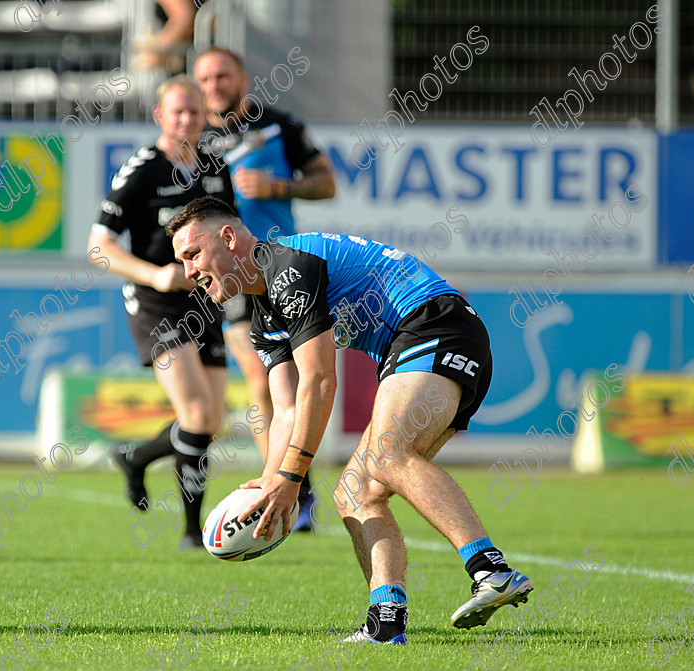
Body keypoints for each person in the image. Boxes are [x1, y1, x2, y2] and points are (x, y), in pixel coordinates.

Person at [167, 196, 534, 642]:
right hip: (419, 343)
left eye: (192, 254)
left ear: (228, 237)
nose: (188, 271)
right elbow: (286, 408)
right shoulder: (265, 320)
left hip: (437, 327)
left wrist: (292, 476)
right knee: (354, 493)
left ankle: (491, 571)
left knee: (387, 455)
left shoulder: (289, 267)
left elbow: (320, 383)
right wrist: (270, 483)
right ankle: (386, 622)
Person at [87, 77, 235, 549]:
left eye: (194, 112)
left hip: (203, 299)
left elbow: (227, 232)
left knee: (209, 421)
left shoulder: (215, 165)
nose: (187, 120)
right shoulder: (140, 170)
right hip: (154, 301)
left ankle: (134, 457)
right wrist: (154, 276)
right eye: (177, 113)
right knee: (194, 412)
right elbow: (99, 247)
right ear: (160, 116)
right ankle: (194, 533)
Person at [192, 46, 337, 531]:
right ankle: (292, 489)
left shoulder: (280, 126)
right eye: (205, 79)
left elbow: (327, 183)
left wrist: (277, 188)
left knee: (296, 381)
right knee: (261, 382)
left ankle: (291, 485)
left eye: (221, 76)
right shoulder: (195, 141)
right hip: (234, 274)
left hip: (285, 267)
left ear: (243, 78)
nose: (213, 85)